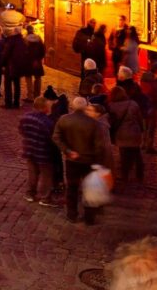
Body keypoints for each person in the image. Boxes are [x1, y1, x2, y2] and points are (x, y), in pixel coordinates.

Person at [52, 96, 105, 224]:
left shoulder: (64, 120)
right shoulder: (94, 123)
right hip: (89, 160)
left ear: (73, 106)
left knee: (72, 188)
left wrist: (68, 151)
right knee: (90, 189)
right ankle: (89, 217)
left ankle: (72, 214)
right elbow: (100, 146)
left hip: (72, 160)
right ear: (86, 106)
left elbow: (56, 137)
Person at [20, 96, 58, 206]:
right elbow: (51, 138)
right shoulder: (47, 122)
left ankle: (30, 193)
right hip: (43, 152)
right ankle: (45, 198)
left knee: (32, 173)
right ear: (44, 107)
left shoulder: (26, 117)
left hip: (29, 150)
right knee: (46, 176)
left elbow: (22, 130)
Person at [108, 86, 145, 186]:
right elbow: (140, 119)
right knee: (137, 154)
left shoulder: (111, 106)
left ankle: (125, 176)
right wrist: (141, 129)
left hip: (121, 134)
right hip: (134, 132)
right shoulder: (132, 104)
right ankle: (140, 175)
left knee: (124, 156)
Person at [0, 25, 26, 109]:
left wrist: (2, 64)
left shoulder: (11, 40)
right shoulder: (23, 41)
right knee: (17, 85)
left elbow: (5, 53)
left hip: (10, 66)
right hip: (19, 66)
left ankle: (8, 103)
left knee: (8, 85)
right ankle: (16, 103)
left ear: (14, 32)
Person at [24, 27, 46, 101]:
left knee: (28, 79)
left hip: (28, 62)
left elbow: (23, 51)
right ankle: (37, 95)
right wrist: (39, 59)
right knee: (38, 78)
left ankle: (30, 96)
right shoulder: (39, 39)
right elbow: (43, 50)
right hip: (37, 62)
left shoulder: (25, 39)